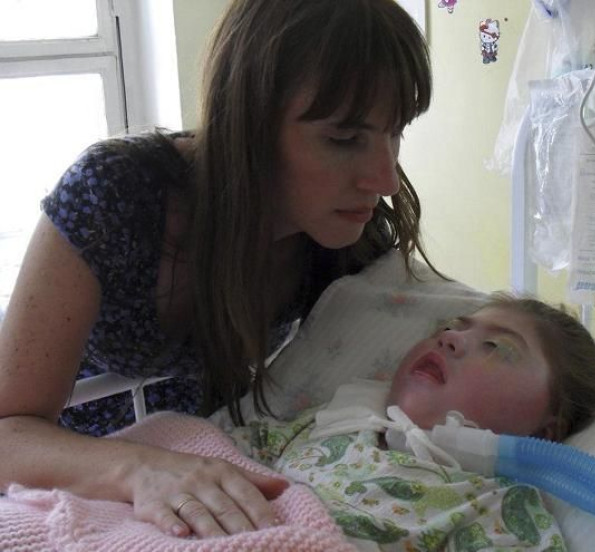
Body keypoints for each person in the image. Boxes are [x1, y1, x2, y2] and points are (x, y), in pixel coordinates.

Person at [0, 0, 436, 541]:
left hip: (205, 461)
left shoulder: (350, 238)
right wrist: (140, 469)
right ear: (248, 122)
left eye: (396, 132)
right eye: (344, 139)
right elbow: (8, 433)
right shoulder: (113, 196)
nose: (386, 179)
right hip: (67, 468)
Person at [215, 292, 595, 550]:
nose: (449, 338)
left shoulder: (496, 509)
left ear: (547, 430)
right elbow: (198, 459)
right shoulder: (324, 426)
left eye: (496, 346)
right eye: (447, 328)